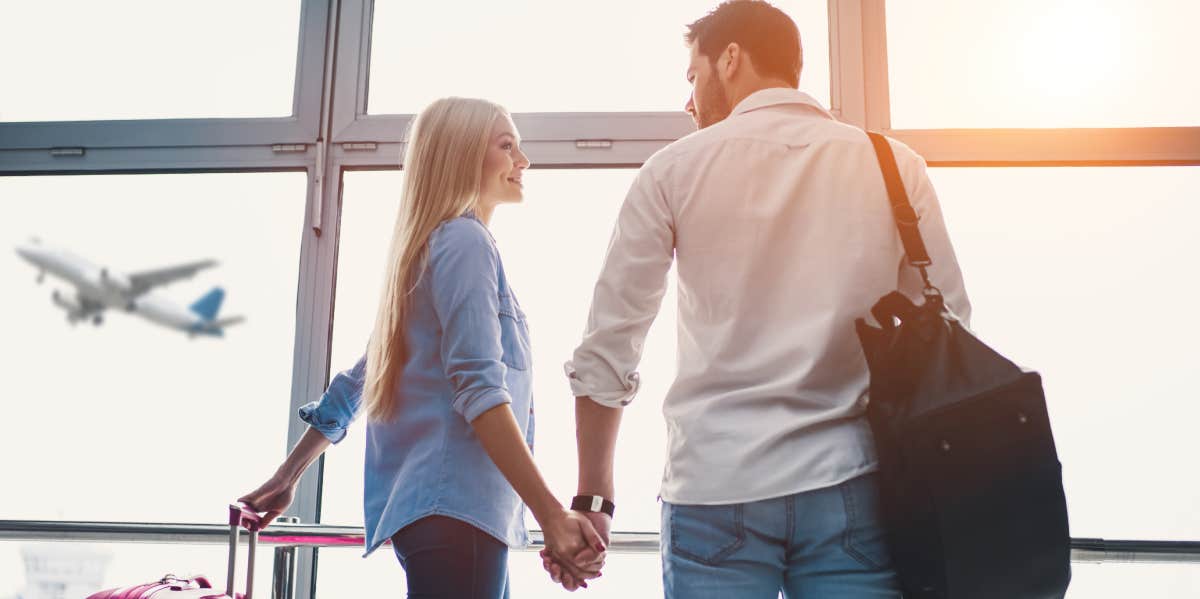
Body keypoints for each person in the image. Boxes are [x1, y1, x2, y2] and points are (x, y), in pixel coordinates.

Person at [545, 1, 971, 597]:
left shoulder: (672, 171)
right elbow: (949, 322)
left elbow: (610, 346)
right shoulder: (894, 166)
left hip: (716, 485)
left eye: (693, 78)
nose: (688, 102)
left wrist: (593, 500)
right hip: (851, 482)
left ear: (731, 59)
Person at [239, 97, 606, 599]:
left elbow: (362, 379)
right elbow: (479, 390)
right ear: (462, 155)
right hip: (456, 511)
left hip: (445, 516)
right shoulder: (464, 242)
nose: (524, 161)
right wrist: (552, 515)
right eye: (507, 146)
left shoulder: (433, 247)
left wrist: (288, 475)